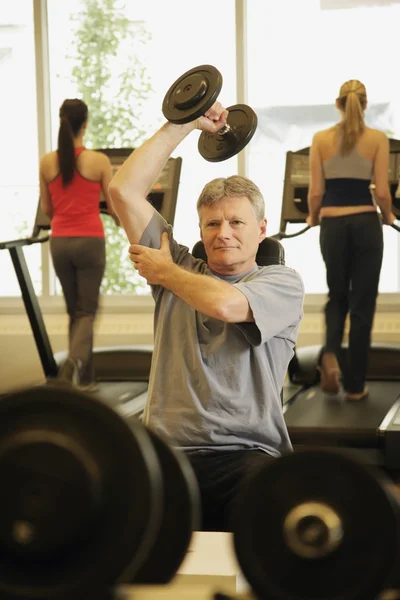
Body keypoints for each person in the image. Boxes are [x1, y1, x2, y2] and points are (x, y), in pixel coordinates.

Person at [108, 101, 305, 531]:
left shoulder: (281, 283)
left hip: (248, 454)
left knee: (271, 527)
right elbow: (123, 190)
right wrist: (183, 123)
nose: (224, 233)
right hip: (167, 453)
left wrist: (163, 271)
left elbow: (226, 305)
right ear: (200, 232)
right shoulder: (178, 265)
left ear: (262, 228)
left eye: (236, 222)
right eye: (212, 224)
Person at [307, 79, 395, 401]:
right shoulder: (377, 139)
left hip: (332, 224)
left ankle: (331, 353)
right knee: (362, 304)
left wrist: (313, 216)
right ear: (365, 104)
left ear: (338, 104)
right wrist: (388, 216)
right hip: (364, 222)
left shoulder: (320, 139)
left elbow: (316, 191)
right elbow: (382, 192)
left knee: (337, 296)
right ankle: (355, 385)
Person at [39, 98, 119, 390]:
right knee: (86, 312)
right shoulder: (98, 161)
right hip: (89, 241)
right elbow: (113, 206)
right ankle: (73, 363)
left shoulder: (47, 162)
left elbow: (48, 209)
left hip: (59, 242)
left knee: (76, 312)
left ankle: (85, 379)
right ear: (85, 124)